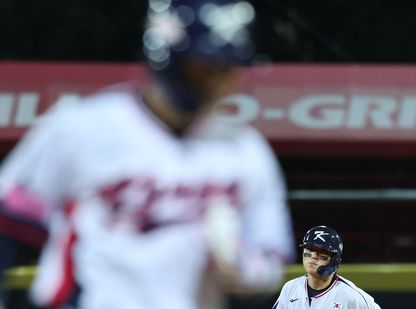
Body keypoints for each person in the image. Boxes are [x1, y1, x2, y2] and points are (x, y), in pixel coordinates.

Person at [0, 0, 295, 308]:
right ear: (170, 59)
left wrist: (247, 273)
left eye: (230, 69)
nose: (222, 82)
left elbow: (271, 254)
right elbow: (7, 222)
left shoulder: (246, 151)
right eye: (209, 66)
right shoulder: (84, 128)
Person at [273, 225, 382, 309]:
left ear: (334, 260)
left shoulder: (350, 295)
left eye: (321, 253)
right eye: (309, 250)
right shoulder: (291, 288)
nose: (313, 257)